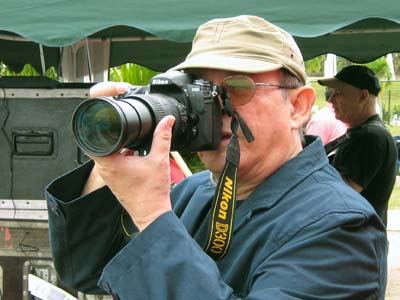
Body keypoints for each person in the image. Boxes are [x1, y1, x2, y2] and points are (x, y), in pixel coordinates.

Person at [46, 16, 387, 299]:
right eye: (198, 91)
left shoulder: (339, 226)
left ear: (297, 107)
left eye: (237, 88)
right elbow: (85, 271)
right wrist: (109, 160)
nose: (212, 110)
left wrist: (151, 217)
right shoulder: (192, 194)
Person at [318, 65, 397, 225]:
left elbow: (339, 196)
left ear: (363, 96)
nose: (331, 99)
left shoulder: (370, 137)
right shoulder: (362, 133)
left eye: (339, 93)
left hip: (354, 242)